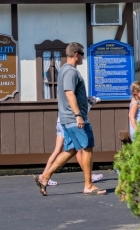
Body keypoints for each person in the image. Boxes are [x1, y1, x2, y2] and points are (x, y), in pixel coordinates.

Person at [35, 43, 105, 196]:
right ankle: (88, 185)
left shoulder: (64, 71)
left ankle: (44, 177)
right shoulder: (70, 72)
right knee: (87, 147)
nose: (83, 57)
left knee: (71, 150)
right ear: (76, 54)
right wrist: (78, 115)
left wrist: (84, 100)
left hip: (68, 118)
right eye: (82, 53)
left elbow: (71, 94)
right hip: (74, 119)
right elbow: (69, 93)